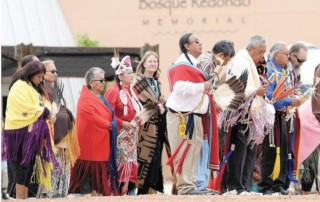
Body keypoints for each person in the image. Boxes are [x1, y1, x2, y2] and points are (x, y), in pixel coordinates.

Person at [166, 33, 219, 195]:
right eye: (196, 42)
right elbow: (179, 87)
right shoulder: (181, 65)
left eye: (200, 42)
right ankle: (185, 187)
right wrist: (203, 86)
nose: (201, 44)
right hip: (182, 117)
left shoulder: (195, 66)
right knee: (184, 152)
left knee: (194, 152)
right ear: (187, 46)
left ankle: (193, 186)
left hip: (194, 115)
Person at [222, 35, 270, 195]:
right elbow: (233, 86)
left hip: (250, 114)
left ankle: (245, 186)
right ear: (251, 49)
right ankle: (235, 186)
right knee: (238, 151)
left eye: (264, 52)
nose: (262, 56)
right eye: (260, 52)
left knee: (250, 152)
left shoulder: (249, 61)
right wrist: (255, 91)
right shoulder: (240, 62)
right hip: (239, 114)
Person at [2, 60, 57, 199]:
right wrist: (45, 112)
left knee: (29, 169)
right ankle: (20, 198)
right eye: (38, 77)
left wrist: (49, 111)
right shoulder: (19, 86)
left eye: (42, 77)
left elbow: (45, 102)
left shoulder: (34, 87)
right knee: (21, 168)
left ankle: (24, 198)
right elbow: (24, 106)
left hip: (32, 134)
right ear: (30, 73)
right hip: (18, 133)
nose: (40, 80)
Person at [259, 42, 301, 195]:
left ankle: (279, 184)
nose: (288, 56)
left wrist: (293, 98)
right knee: (271, 150)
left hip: (283, 115)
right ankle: (267, 185)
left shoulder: (284, 71)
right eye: (286, 53)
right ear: (276, 55)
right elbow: (269, 97)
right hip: (271, 117)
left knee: (283, 151)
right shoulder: (270, 71)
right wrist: (289, 101)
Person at [69, 67, 118, 196]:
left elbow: (108, 114)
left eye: (104, 80)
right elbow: (91, 116)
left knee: (98, 189)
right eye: (100, 80)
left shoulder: (101, 97)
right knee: (87, 186)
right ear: (91, 83)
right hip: (90, 145)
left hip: (101, 142)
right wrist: (109, 125)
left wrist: (111, 124)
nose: (103, 83)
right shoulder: (85, 98)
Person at [195, 40, 235, 192]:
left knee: (207, 148)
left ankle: (205, 184)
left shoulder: (213, 63)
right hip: (201, 111)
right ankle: (201, 185)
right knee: (203, 148)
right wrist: (215, 103)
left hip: (208, 110)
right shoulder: (206, 63)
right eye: (226, 60)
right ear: (220, 55)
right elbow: (204, 88)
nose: (226, 64)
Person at [40, 59, 80, 197]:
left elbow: (60, 107)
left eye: (56, 71)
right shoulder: (41, 89)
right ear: (43, 73)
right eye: (52, 71)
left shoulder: (55, 87)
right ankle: (50, 196)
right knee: (53, 167)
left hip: (63, 135)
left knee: (63, 168)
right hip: (51, 137)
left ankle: (61, 195)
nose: (56, 74)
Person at [105, 56, 142, 195]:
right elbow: (108, 112)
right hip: (120, 134)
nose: (132, 75)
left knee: (131, 162)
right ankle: (118, 191)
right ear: (120, 75)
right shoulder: (113, 91)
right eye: (128, 73)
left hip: (132, 135)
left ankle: (130, 190)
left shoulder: (132, 91)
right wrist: (121, 122)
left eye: (132, 72)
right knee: (123, 162)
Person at [133, 51, 168, 194]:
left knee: (156, 154)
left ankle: (152, 189)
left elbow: (160, 99)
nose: (153, 64)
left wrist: (162, 105)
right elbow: (137, 102)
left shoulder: (157, 82)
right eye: (150, 61)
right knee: (145, 155)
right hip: (145, 124)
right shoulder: (138, 82)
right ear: (144, 63)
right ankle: (142, 188)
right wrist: (155, 106)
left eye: (155, 61)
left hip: (158, 124)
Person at [298, 64, 320, 194]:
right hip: (311, 117)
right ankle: (306, 192)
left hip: (312, 115)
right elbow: (317, 95)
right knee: (310, 157)